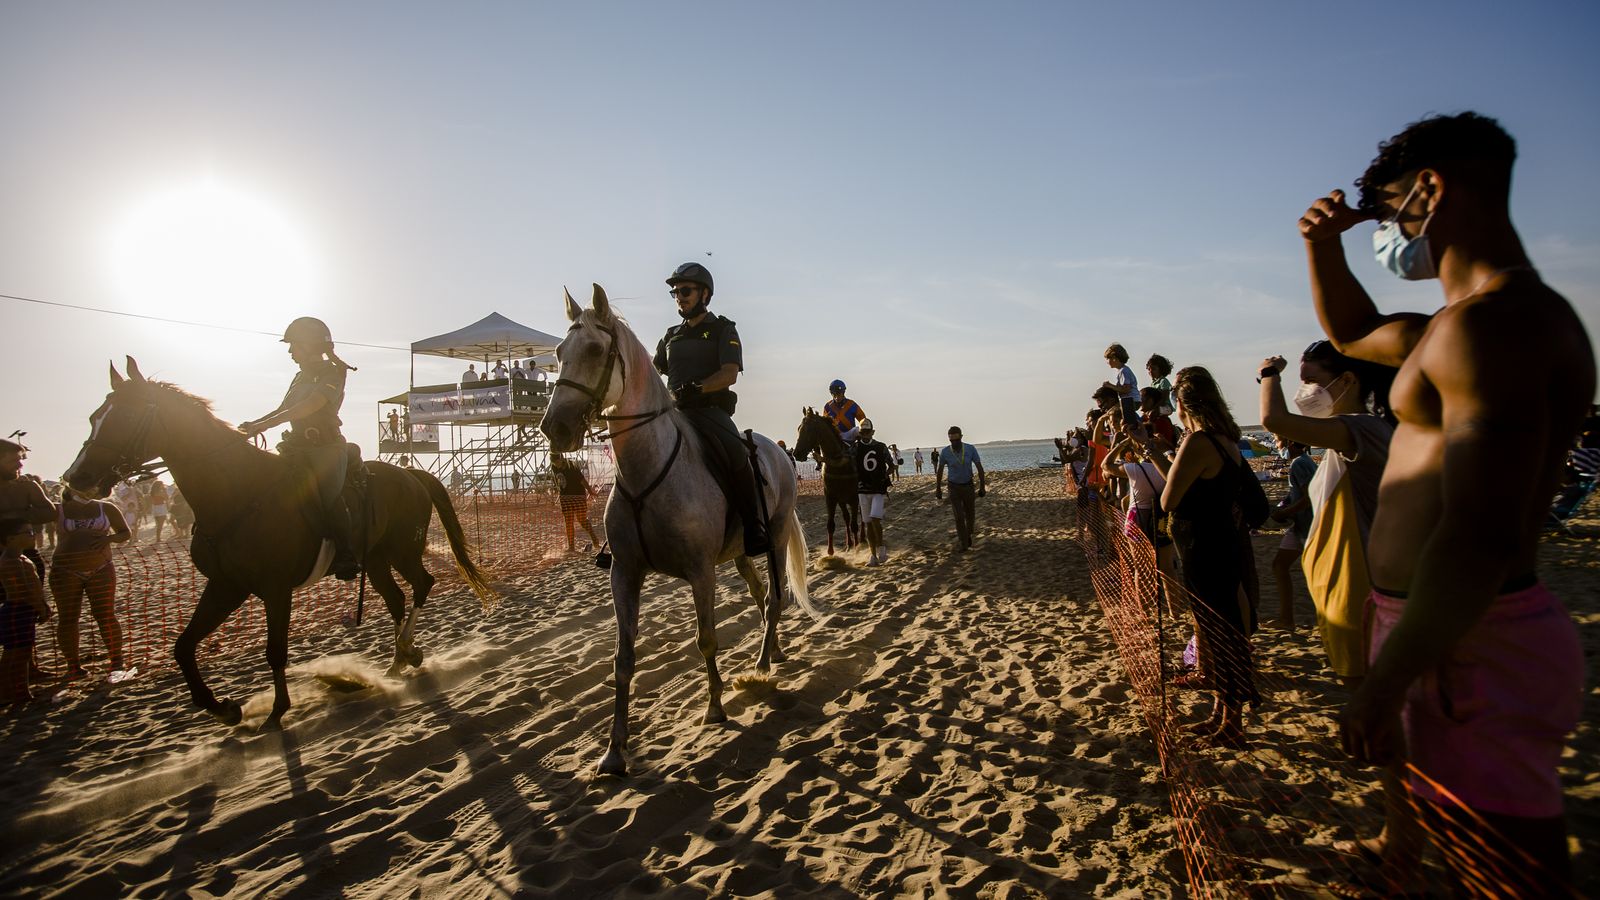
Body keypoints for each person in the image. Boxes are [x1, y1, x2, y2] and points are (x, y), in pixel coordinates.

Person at [1301, 112, 1594, 890]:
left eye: (1392, 212)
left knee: (1507, 870)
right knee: (1462, 841)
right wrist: (1320, 246)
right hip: (1437, 624)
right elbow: (1357, 329)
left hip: (1475, 636)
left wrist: (1387, 680)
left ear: (1431, 190)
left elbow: (1478, 534)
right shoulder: (1453, 326)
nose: (1389, 234)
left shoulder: (1496, 329)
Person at [1259, 340, 1396, 673]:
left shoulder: (1361, 428)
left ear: (1347, 381)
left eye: (1311, 381)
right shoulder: (1346, 432)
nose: (1304, 391)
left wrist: (1268, 373)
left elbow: (1274, 419)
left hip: (1360, 588)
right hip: (1340, 587)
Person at [1146, 366, 1256, 749]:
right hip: (1220, 545)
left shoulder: (1199, 442)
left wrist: (1167, 456)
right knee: (1221, 634)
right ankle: (1222, 716)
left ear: (1182, 403)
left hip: (1205, 549)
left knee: (1221, 636)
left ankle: (1232, 724)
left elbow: (1168, 498)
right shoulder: (1226, 440)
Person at [653, 262, 769, 556]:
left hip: (709, 412)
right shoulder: (670, 336)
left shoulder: (723, 329)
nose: (679, 296)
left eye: (685, 290)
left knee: (735, 452)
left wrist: (698, 388)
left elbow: (729, 373)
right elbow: (654, 374)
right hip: (674, 414)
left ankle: (752, 527)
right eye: (675, 292)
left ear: (704, 294)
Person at [238, 317, 361, 580]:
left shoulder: (333, 372)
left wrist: (267, 424)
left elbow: (312, 404)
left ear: (311, 345)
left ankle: (346, 555)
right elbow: (284, 409)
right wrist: (254, 425)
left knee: (328, 497)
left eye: (294, 345)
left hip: (325, 449)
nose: (291, 351)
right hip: (296, 446)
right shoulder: (299, 376)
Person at [50, 487, 131, 678]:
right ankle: (73, 666)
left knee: (105, 615)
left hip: (101, 567)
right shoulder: (57, 509)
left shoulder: (107, 508)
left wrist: (108, 538)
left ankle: (117, 661)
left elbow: (125, 533)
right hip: (65, 570)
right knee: (68, 618)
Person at [0, 519, 52, 702]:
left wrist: (42, 605)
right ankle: (16, 692)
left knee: (20, 652)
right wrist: (40, 607)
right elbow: (23, 591)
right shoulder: (11, 561)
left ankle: (13, 692)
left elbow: (32, 587)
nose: (32, 535)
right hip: (17, 610)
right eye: (27, 532)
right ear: (11, 538)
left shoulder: (21, 557)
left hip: (25, 609)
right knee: (16, 654)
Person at [1266, 440, 1315, 630]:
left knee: (1284, 567)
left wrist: (1284, 513)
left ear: (1288, 442)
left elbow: (1308, 497)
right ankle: (1286, 619)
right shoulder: (1305, 461)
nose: (1277, 445)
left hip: (1307, 525)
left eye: (1277, 441)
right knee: (1279, 566)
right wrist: (1286, 502)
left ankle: (1288, 619)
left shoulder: (1299, 464)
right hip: (1299, 526)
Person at [934, 426, 985, 552]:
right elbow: (940, 470)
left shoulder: (970, 449)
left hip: (968, 486)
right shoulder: (945, 452)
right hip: (953, 487)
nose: (954, 443)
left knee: (970, 515)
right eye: (952, 440)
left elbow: (979, 467)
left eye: (956, 440)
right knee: (958, 517)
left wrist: (982, 486)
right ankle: (963, 543)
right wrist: (938, 488)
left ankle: (967, 535)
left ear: (961, 437)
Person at [853, 420, 893, 565]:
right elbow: (847, 462)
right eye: (863, 432)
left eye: (867, 432)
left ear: (872, 432)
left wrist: (884, 477)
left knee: (876, 520)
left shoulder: (881, 447)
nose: (865, 435)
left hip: (877, 490)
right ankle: (873, 555)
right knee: (868, 523)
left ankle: (881, 547)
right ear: (860, 433)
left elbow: (891, 465)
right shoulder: (855, 448)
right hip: (862, 490)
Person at [551, 455, 600, 553]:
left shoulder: (572, 466)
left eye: (557, 461)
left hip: (578, 496)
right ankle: (571, 547)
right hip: (565, 497)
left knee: (581, 520)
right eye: (553, 462)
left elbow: (582, 480)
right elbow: (557, 481)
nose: (556, 464)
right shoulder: (554, 467)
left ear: (561, 458)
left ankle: (595, 539)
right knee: (568, 522)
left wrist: (590, 491)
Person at [1102, 344, 1141, 423]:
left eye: (1108, 359)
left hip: (1130, 400)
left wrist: (1110, 385)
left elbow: (1126, 389)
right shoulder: (1122, 370)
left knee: (1114, 414)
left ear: (1114, 358)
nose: (1107, 362)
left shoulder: (1124, 371)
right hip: (1130, 400)